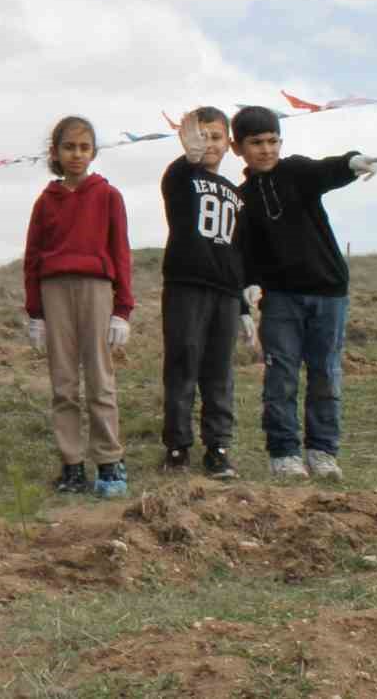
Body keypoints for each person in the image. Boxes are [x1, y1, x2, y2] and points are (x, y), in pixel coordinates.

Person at [231, 105, 377, 480]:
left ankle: (322, 451)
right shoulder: (241, 197)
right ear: (238, 148)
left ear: (280, 142)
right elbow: (244, 249)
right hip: (280, 298)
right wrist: (246, 290)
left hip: (330, 293)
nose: (266, 150)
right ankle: (283, 453)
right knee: (280, 375)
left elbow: (325, 171)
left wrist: (352, 162)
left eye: (272, 141)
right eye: (256, 143)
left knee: (326, 374)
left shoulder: (296, 171)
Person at [23, 116, 134, 497]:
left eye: (84, 147)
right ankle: (71, 464)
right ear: (55, 152)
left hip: (96, 289)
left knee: (100, 379)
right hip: (54, 291)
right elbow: (33, 258)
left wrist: (123, 309)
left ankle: (109, 460)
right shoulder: (45, 201)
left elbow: (120, 252)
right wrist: (35, 313)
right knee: (64, 382)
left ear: (94, 152)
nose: (76, 154)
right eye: (69, 147)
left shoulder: (108, 196)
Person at [155, 109, 248, 481]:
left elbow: (239, 252)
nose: (209, 143)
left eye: (216, 136)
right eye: (202, 135)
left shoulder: (237, 194)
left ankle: (218, 447)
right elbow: (185, 163)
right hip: (185, 286)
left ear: (229, 143)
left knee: (219, 371)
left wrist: (243, 304)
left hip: (225, 292)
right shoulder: (180, 177)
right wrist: (188, 153)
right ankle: (177, 447)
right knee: (182, 365)